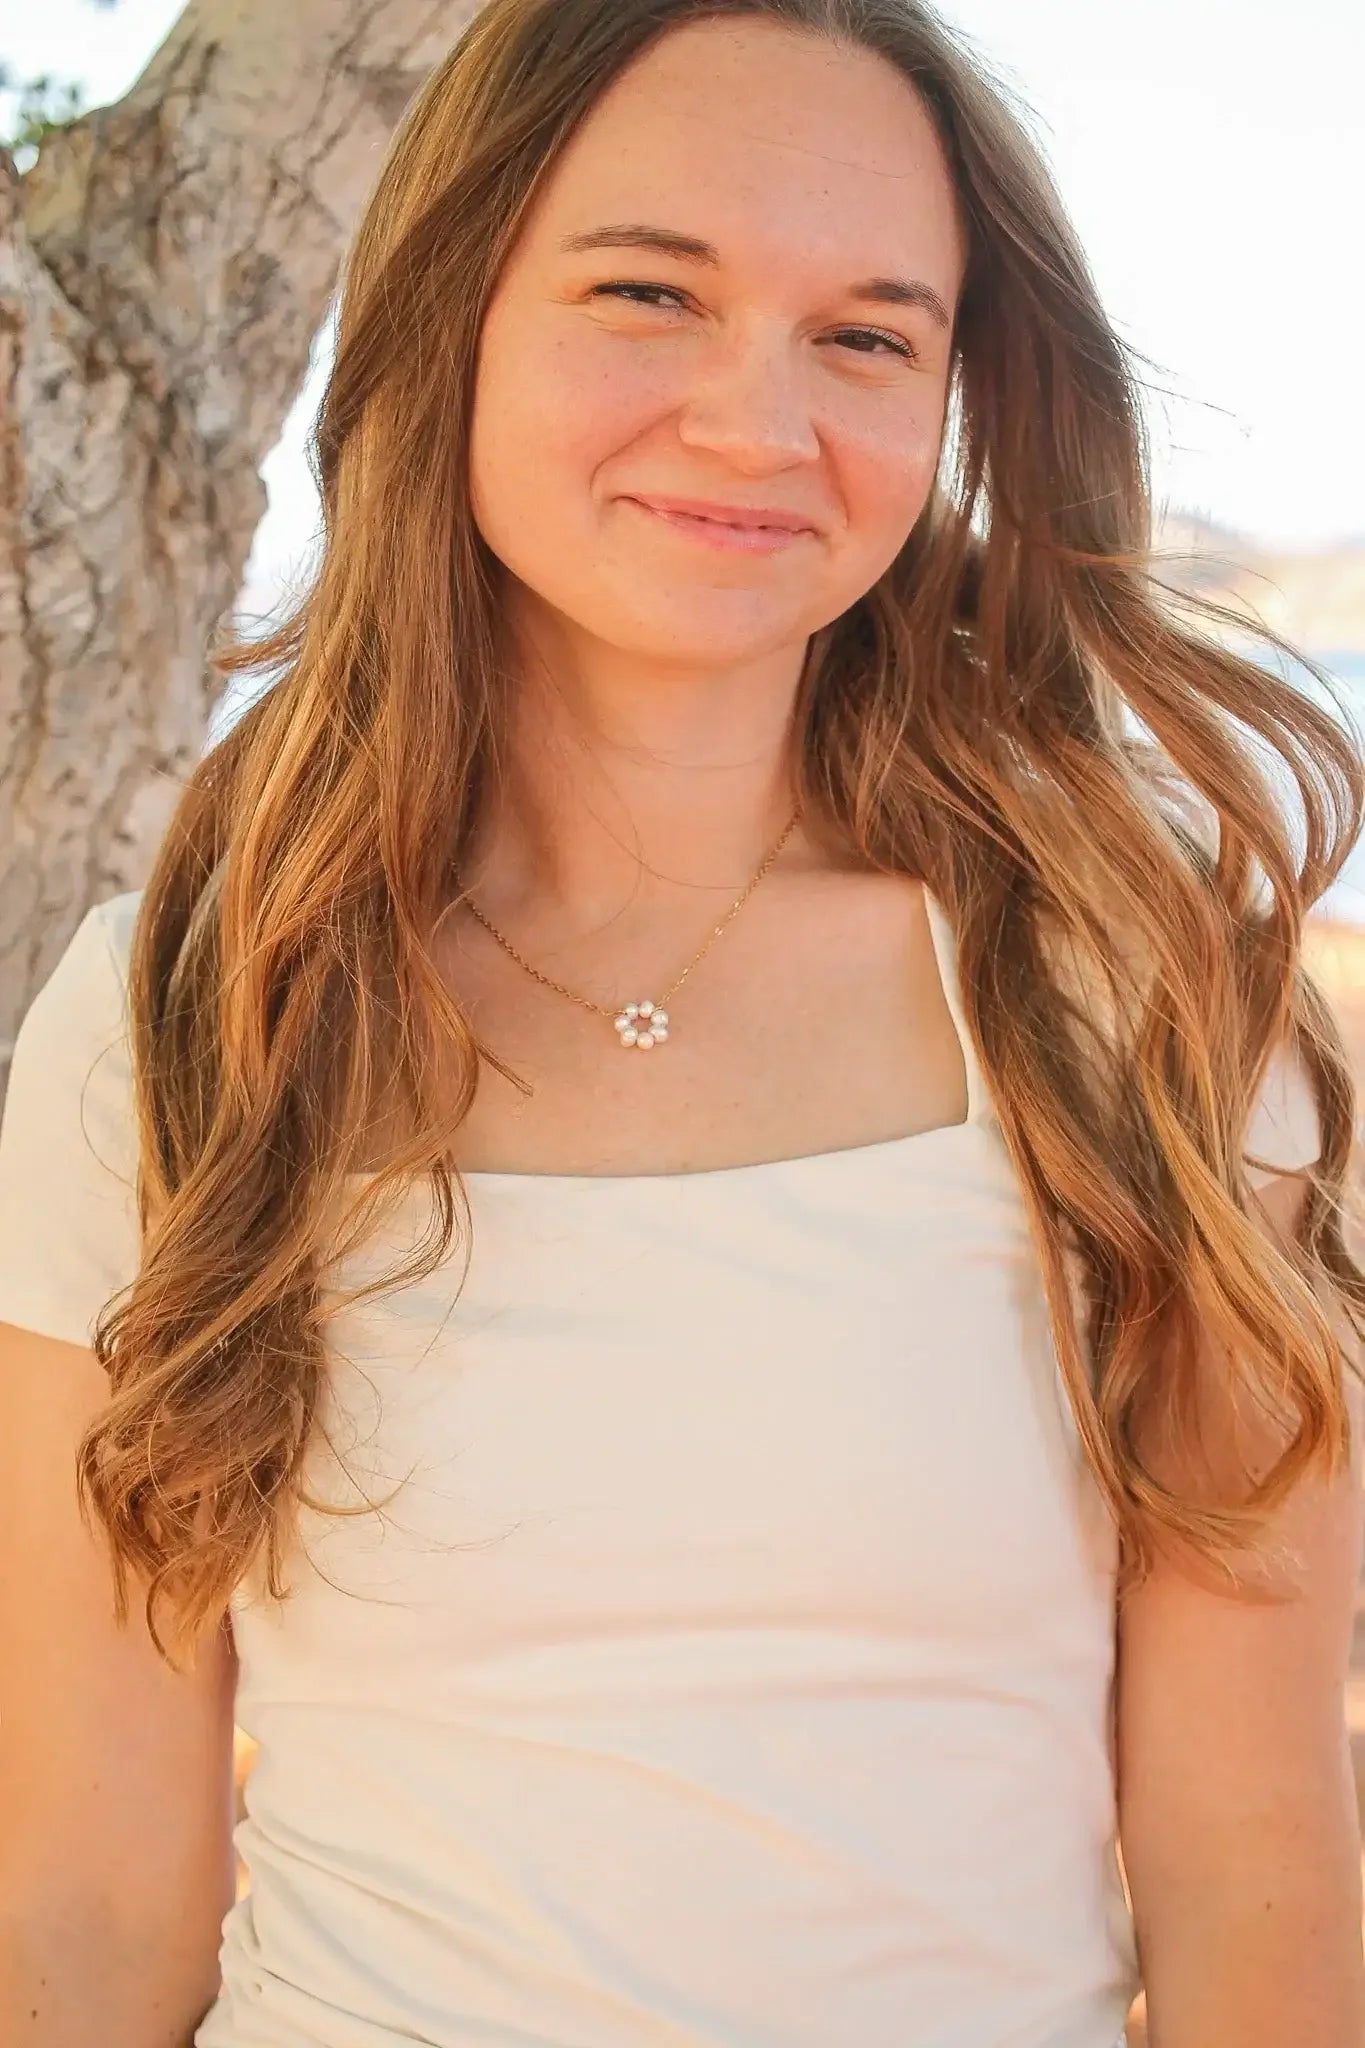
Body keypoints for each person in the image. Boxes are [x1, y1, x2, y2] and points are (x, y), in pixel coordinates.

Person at [2, 2, 1363, 2044]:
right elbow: (89, 1903)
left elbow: (1254, 1870)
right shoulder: (185, 1006)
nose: (756, 417)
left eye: (866, 334)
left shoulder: (1129, 995)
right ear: (450, 307)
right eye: (650, 291)